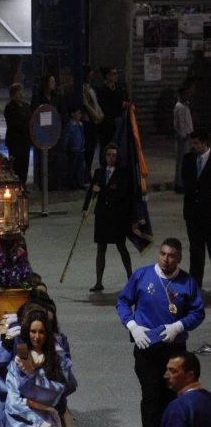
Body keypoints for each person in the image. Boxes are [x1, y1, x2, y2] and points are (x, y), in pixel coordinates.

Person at [116, 238, 205, 427]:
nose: (166, 259)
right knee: (151, 396)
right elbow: (123, 302)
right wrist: (132, 326)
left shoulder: (187, 283)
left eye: (172, 255)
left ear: (179, 258)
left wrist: (179, 326)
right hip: (147, 349)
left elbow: (198, 312)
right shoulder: (142, 276)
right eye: (163, 254)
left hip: (175, 351)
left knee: (173, 399)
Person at [82, 142, 133, 291]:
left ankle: (130, 277)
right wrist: (85, 209)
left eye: (113, 155)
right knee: (101, 248)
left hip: (116, 215)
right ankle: (99, 281)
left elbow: (120, 193)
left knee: (121, 246)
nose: (110, 157)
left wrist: (102, 189)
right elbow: (91, 192)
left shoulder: (122, 173)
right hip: (102, 214)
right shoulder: (99, 172)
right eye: (108, 154)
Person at [181, 128, 211, 288]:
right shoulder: (188, 159)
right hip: (193, 215)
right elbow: (186, 184)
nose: (193, 146)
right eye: (192, 143)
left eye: (196, 143)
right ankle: (195, 287)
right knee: (196, 253)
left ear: (205, 143)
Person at [4, 83, 32, 186]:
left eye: (21, 92)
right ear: (13, 95)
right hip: (15, 140)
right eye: (18, 93)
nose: (21, 95)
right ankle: (16, 185)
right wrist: (25, 126)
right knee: (16, 164)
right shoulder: (9, 107)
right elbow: (13, 124)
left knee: (25, 164)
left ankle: (23, 185)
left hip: (25, 140)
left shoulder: (26, 106)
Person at [96, 66, 125, 163]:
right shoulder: (101, 91)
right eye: (114, 74)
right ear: (107, 76)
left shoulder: (119, 90)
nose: (116, 76)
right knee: (105, 147)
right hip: (106, 124)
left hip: (117, 124)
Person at [82, 65, 104, 183]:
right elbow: (86, 105)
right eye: (90, 72)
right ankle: (86, 172)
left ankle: (88, 169)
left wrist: (100, 114)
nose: (92, 74)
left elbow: (95, 103)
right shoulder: (82, 88)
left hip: (94, 121)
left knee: (92, 146)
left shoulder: (90, 87)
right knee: (89, 147)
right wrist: (96, 117)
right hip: (89, 121)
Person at [173, 85, 194, 194]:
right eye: (186, 93)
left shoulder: (185, 105)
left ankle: (180, 182)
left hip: (186, 136)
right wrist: (183, 135)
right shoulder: (180, 107)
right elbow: (180, 123)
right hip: (183, 137)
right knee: (181, 161)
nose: (188, 95)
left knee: (183, 161)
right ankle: (180, 184)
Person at [63, 104, 85, 190]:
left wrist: (83, 146)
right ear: (72, 114)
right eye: (78, 113)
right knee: (72, 168)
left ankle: (79, 182)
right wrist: (65, 147)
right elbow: (66, 137)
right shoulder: (69, 125)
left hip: (80, 149)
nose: (80, 115)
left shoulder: (80, 125)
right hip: (72, 149)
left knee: (79, 168)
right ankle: (71, 184)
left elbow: (82, 136)